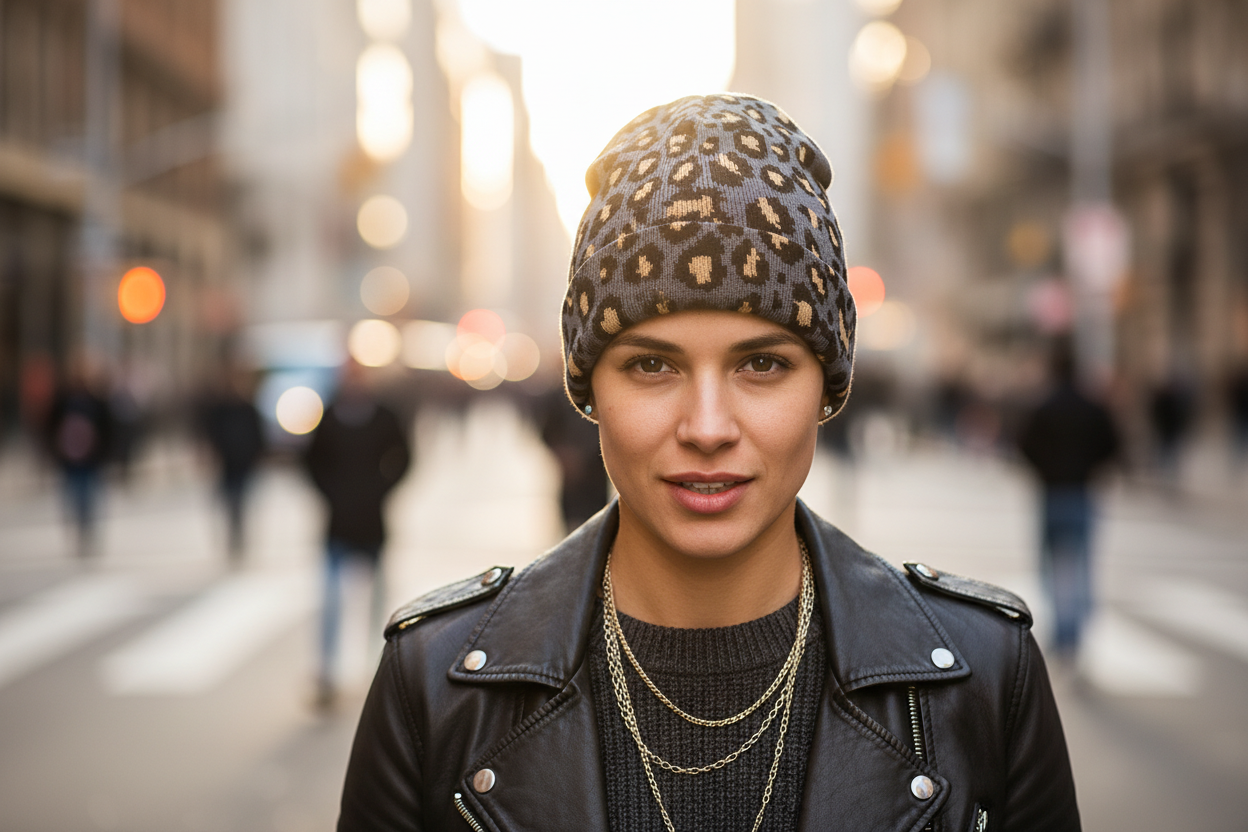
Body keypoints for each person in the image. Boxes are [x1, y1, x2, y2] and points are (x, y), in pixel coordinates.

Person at [339, 95, 1080, 831]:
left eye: (761, 364)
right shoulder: (434, 687)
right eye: (652, 366)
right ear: (587, 385)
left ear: (828, 383)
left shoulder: (985, 679)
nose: (707, 427)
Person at [304, 360, 411, 708]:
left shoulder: (383, 415)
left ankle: (375, 670)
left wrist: (381, 488)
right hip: (338, 523)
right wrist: (330, 492)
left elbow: (405, 456)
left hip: (372, 523)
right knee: (333, 600)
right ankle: (327, 672)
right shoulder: (331, 415)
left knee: (377, 602)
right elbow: (310, 461)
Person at [1018, 342, 1119, 658]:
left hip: (1052, 493)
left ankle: (1064, 632)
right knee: (1081, 564)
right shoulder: (1093, 406)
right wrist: (1090, 469)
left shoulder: (1043, 407)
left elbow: (1025, 446)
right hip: (1080, 492)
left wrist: (1045, 471)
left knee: (1052, 566)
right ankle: (1073, 631)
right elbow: (1113, 445)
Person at [44, 356, 114, 558]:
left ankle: (87, 531)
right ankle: (79, 530)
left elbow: (107, 429)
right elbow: (50, 428)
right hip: (69, 460)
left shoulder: (96, 401)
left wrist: (104, 453)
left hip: (91, 460)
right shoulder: (63, 401)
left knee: (89, 497)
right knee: (73, 497)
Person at [197, 366, 266, 561]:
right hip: (226, 464)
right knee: (228, 502)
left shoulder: (248, 407)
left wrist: (257, 456)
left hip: (245, 464)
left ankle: (239, 537)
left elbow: (258, 435)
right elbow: (210, 433)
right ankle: (232, 536)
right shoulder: (219, 409)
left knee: (241, 503)